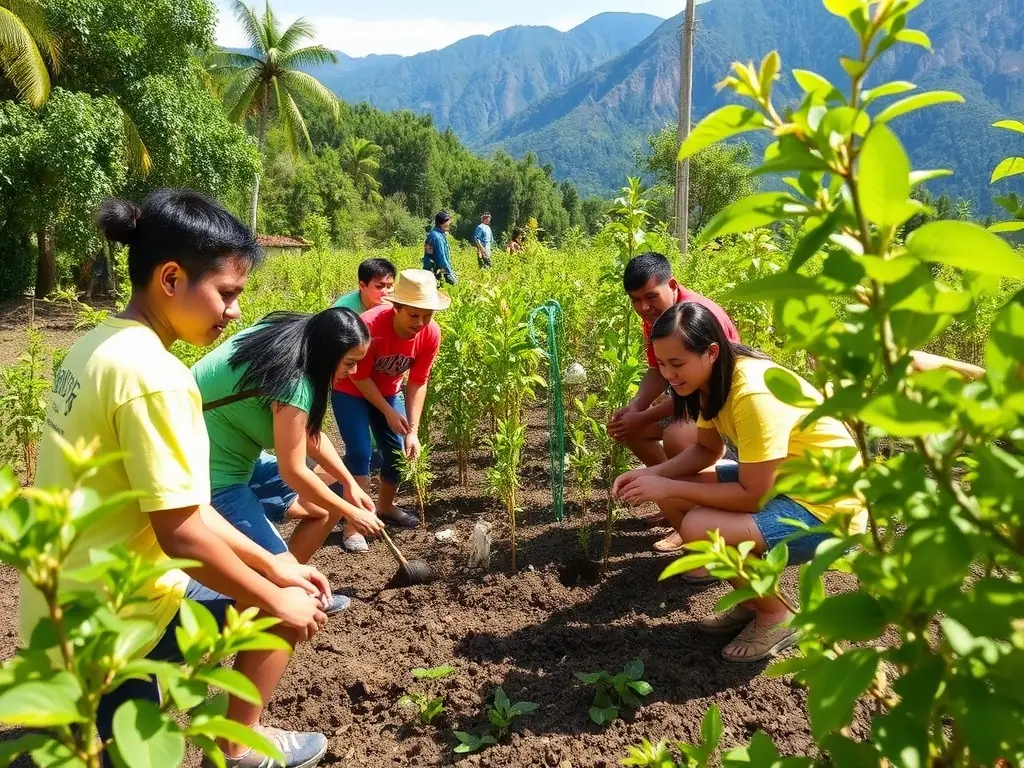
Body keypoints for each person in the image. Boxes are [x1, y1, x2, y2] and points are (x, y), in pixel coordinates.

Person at [22, 189, 333, 768]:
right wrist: (274, 594)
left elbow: (184, 505)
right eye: (227, 294)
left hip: (64, 608)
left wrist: (275, 563)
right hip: (117, 625)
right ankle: (232, 746)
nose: (235, 312)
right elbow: (182, 534)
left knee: (280, 587)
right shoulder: (157, 376)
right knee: (283, 608)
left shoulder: (96, 345)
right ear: (170, 279)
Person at [612, 302, 865, 663]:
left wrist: (668, 486)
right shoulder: (710, 382)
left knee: (699, 525)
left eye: (677, 364)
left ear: (711, 352)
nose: (668, 375)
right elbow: (703, 450)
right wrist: (649, 475)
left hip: (828, 510)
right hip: (786, 483)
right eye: (662, 364)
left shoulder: (751, 395)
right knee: (677, 492)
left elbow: (753, 495)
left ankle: (778, 616)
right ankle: (752, 601)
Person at [192, 307, 386, 583]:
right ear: (328, 353)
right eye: (349, 362)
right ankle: (279, 592)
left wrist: (349, 485)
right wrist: (351, 512)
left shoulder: (293, 340)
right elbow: (293, 471)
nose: (353, 371)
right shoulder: (293, 380)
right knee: (277, 567)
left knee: (325, 508)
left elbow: (309, 433)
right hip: (212, 474)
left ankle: (288, 585)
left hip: (242, 459)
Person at [332, 269, 448, 546]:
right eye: (413, 315)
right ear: (395, 307)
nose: (421, 323)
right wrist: (388, 411)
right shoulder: (369, 326)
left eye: (428, 315)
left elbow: (419, 381)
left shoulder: (431, 334)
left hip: (387, 392)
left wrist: (413, 431)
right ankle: (354, 522)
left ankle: (385, 507)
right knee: (360, 452)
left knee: (397, 454)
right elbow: (358, 376)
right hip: (350, 391)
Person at [609, 252, 741, 476]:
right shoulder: (657, 316)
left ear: (672, 285)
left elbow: (702, 388)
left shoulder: (694, 317)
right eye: (635, 300)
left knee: (677, 436)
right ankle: (674, 495)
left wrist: (645, 416)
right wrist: (636, 407)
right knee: (630, 432)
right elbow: (657, 370)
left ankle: (692, 499)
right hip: (690, 400)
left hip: (718, 402)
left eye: (651, 297)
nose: (643, 308)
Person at [423, 210, 457, 285]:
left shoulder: (437, 233)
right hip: (435, 271)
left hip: (435, 271)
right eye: (448, 222)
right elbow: (441, 258)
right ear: (442, 223)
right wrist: (451, 274)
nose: (450, 224)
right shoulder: (437, 237)